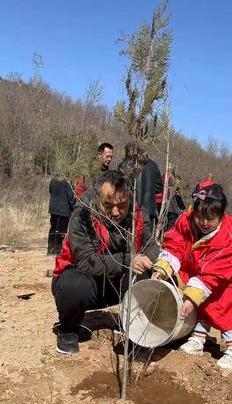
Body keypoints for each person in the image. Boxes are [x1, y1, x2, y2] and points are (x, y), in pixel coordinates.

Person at [51, 170, 159, 354]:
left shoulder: (138, 213)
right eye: (108, 205)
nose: (116, 212)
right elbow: (86, 262)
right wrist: (128, 261)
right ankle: (68, 329)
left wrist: (156, 264)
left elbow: (151, 246)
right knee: (73, 287)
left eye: (122, 205)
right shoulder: (83, 214)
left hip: (115, 284)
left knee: (145, 275)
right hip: (85, 281)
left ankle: (134, 328)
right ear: (98, 198)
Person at [151, 184, 232, 372]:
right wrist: (163, 267)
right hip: (199, 266)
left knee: (222, 307)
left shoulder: (230, 239)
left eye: (210, 219)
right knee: (201, 301)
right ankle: (198, 338)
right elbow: (175, 244)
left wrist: (191, 298)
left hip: (231, 273)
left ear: (221, 217)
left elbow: (212, 274)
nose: (204, 222)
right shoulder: (186, 221)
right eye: (199, 217)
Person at [118, 143, 163, 235]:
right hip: (149, 209)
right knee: (147, 242)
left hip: (129, 208)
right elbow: (159, 186)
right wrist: (150, 192)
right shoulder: (153, 165)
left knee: (128, 238)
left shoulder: (123, 166)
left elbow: (118, 186)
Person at [48, 176, 76, 255]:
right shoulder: (67, 180)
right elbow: (71, 197)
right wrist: (75, 208)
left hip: (53, 208)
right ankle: (58, 250)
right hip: (64, 210)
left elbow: (50, 191)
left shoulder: (53, 179)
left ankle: (50, 249)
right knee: (61, 230)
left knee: (53, 229)